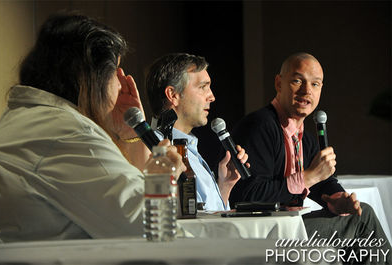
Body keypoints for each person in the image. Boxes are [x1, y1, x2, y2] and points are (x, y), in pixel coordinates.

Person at [0, 12, 185, 243]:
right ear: (91, 78)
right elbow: (149, 230)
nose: (120, 83)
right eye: (115, 72)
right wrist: (163, 177)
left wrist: (126, 135)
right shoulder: (66, 132)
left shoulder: (29, 118)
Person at [230, 52, 391, 264]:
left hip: (288, 226)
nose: (307, 91)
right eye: (298, 81)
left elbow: (323, 181)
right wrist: (308, 177)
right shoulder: (259, 126)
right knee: (363, 221)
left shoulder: (302, 133)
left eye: (315, 84)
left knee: (358, 218)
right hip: (263, 233)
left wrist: (338, 199)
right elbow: (248, 195)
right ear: (279, 83)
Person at [145, 53, 248, 211]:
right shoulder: (156, 150)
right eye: (202, 87)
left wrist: (225, 186)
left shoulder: (190, 149)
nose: (212, 96)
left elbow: (202, 218)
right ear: (173, 95)